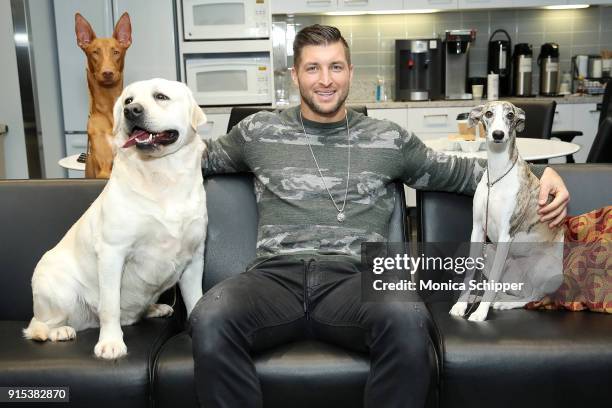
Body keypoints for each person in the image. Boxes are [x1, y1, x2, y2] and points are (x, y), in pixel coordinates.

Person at [190, 24, 570, 408]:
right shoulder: (257, 131)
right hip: (274, 276)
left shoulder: (389, 139)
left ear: (351, 73)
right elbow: (193, 160)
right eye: (313, 68)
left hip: (357, 278)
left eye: (336, 67)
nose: (325, 80)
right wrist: (135, 146)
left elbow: (463, 172)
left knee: (408, 318)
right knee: (210, 317)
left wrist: (541, 177)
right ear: (294, 75)